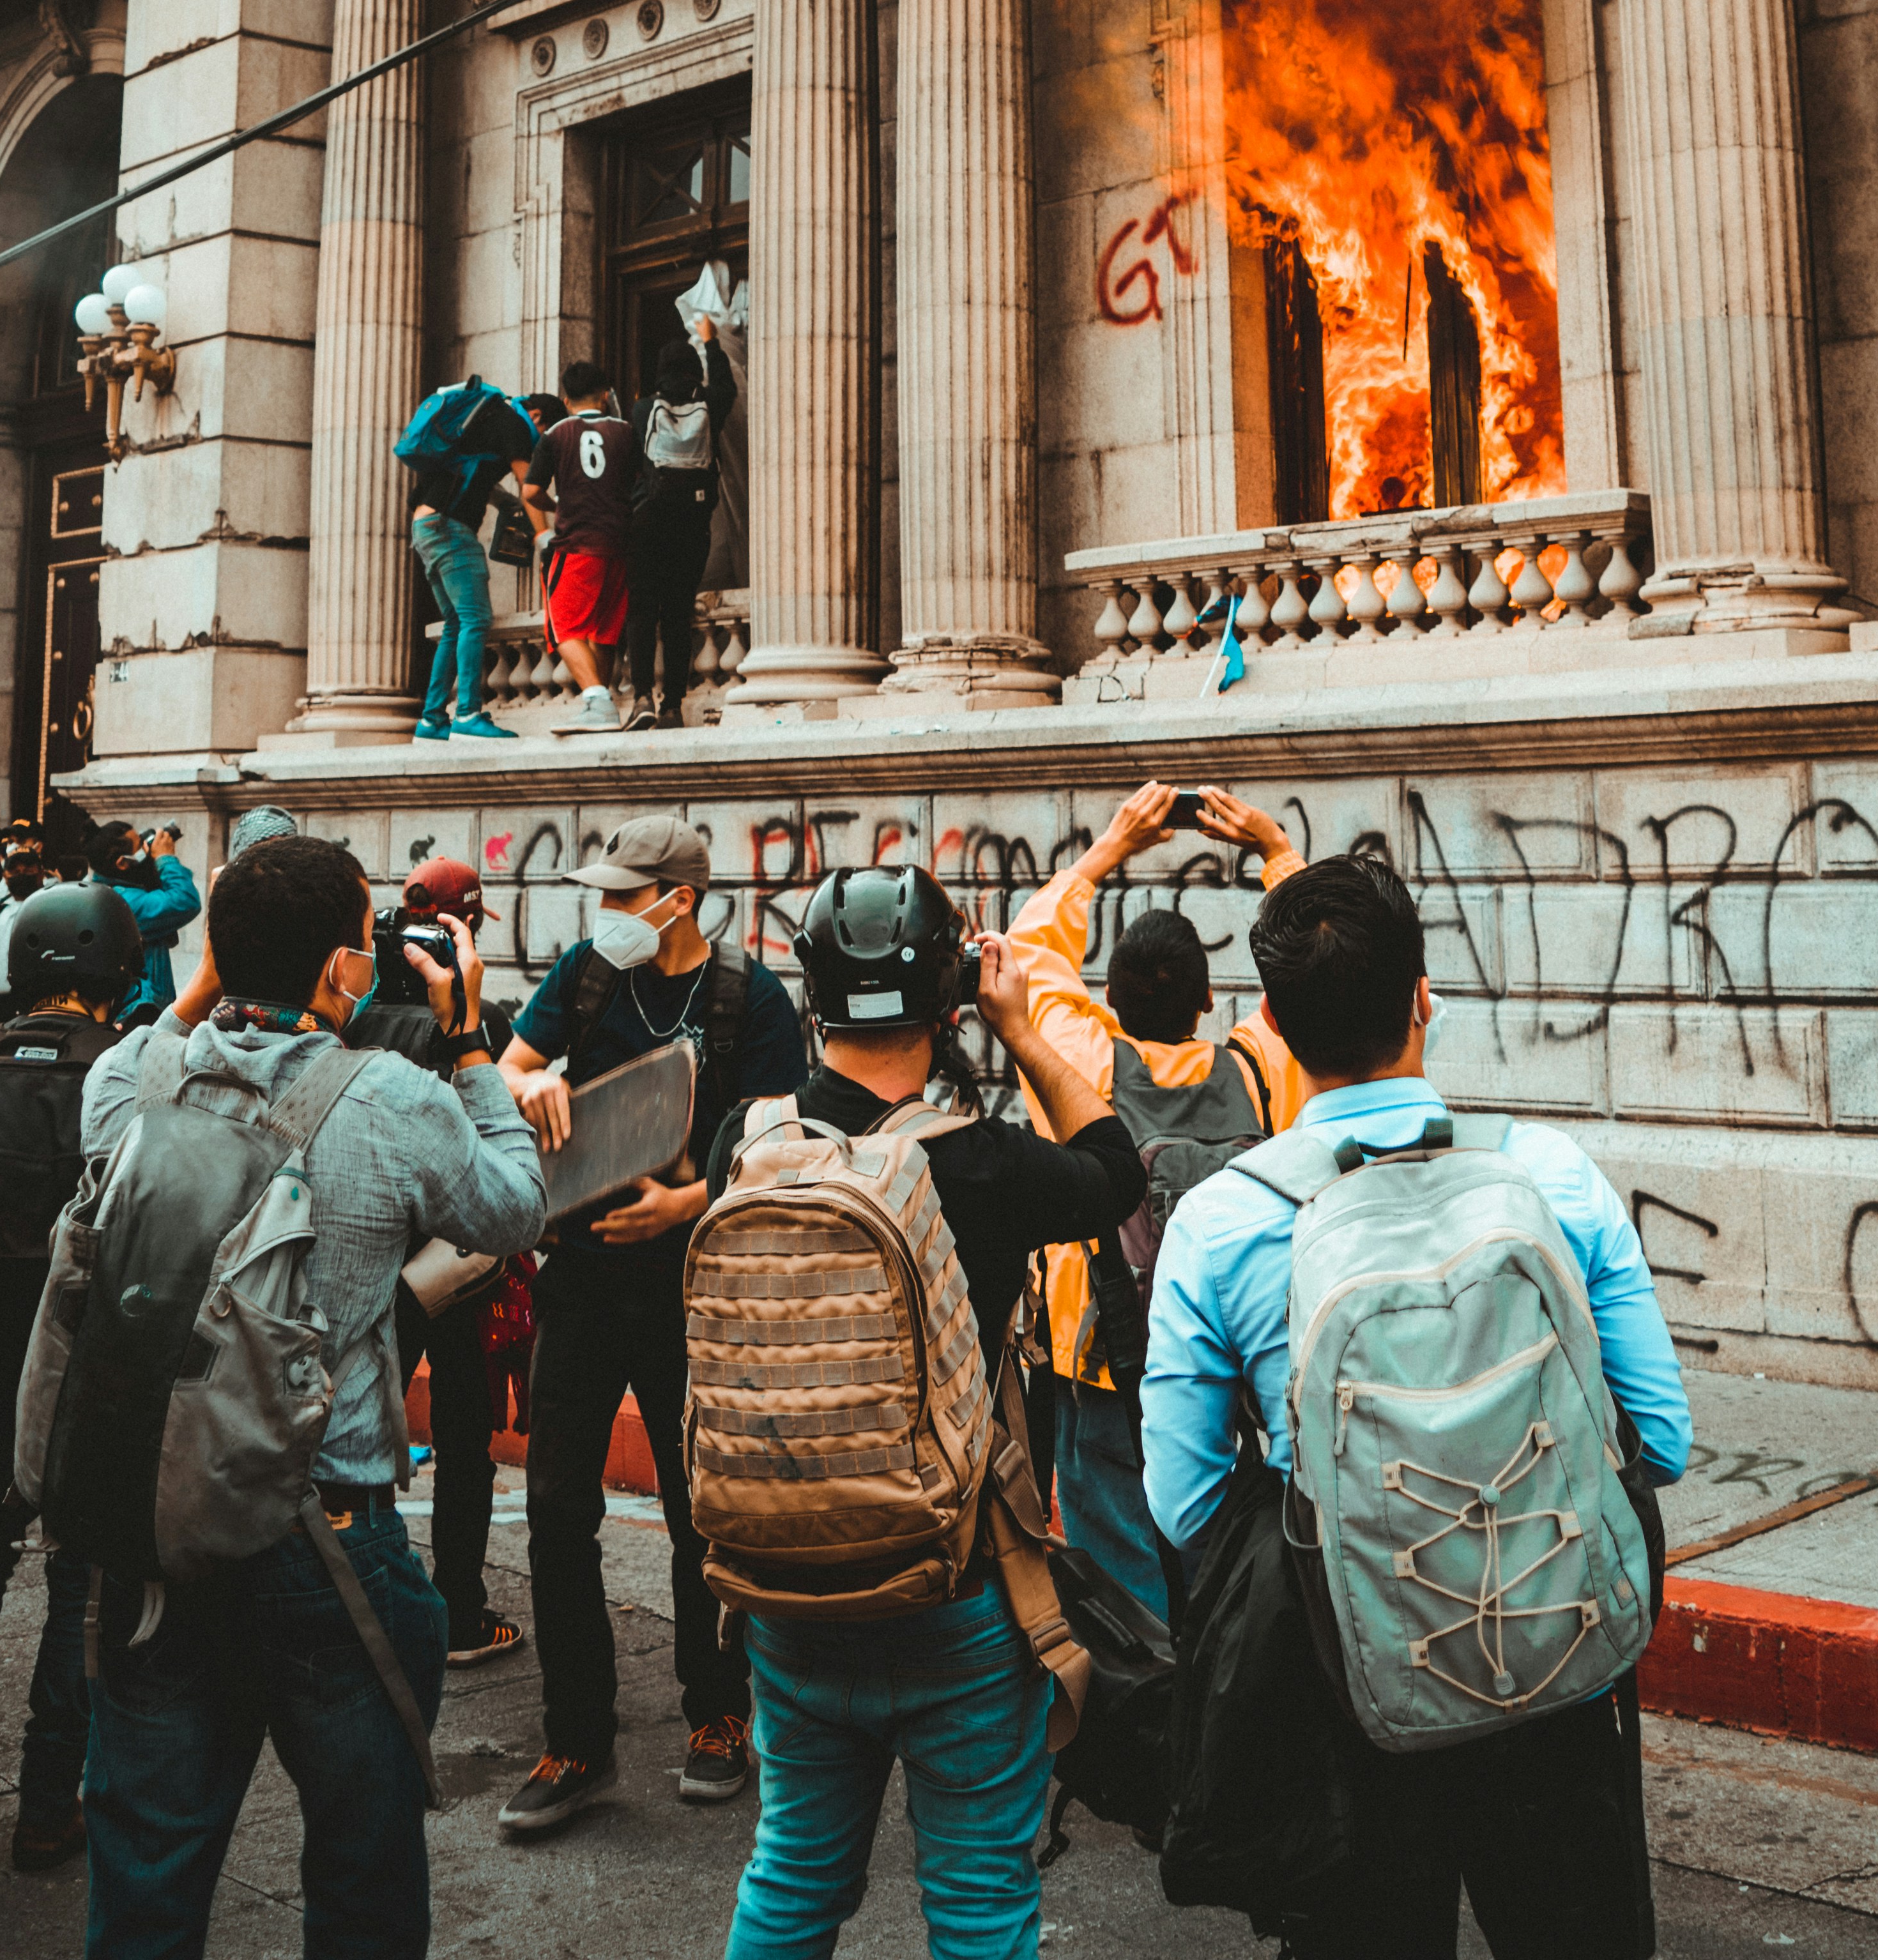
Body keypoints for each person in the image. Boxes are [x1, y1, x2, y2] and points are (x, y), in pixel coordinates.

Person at [1141, 850, 1691, 1960]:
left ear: (1273, 1026)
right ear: (1423, 996)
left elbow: (1183, 1500)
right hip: (1552, 1650)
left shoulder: (1219, 1220)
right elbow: (1663, 1436)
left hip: (1345, 1682)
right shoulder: (1551, 1174)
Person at [77, 832, 546, 1960]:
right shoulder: (393, 1096)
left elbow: (161, 1046)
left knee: (145, 1876)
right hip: (327, 1539)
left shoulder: (128, 1079)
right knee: (361, 1869)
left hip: (158, 1527)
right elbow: (515, 1208)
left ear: (216, 948)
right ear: (347, 967)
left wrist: (206, 978)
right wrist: (469, 1040)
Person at [706, 865, 1147, 1960]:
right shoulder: (982, 1163)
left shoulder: (744, 1143)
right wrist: (1019, 1023)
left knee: (792, 1873)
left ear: (813, 996)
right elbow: (1116, 1167)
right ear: (948, 997)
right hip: (958, 1585)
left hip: (785, 1583)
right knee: (980, 1898)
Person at [494, 812, 806, 1834]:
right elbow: (507, 1069)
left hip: (693, 1293)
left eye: (625, 896)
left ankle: (717, 1716)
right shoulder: (588, 974)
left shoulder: (749, 999)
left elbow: (780, 1149)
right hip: (579, 1285)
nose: (608, 912)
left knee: (697, 1514)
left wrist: (682, 1205)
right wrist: (533, 1082)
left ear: (678, 900)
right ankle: (575, 1739)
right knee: (554, 1514)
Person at [1004, 776, 1309, 1611]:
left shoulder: (1082, 1067)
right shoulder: (1258, 1066)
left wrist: (1109, 849)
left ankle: (1144, 1687)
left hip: (1105, 1357)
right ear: (1208, 1001)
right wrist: (1275, 851)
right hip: (1224, 1352)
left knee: (1117, 1582)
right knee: (1218, 1544)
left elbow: (1029, 955)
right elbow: (1315, 975)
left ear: (1107, 1000)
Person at [0, 878, 138, 1872]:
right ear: (119, 970)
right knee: (79, 1576)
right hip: (83, 1370)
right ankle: (49, 1807)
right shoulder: (124, 1078)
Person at [344, 856, 528, 1667]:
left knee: (363, 1427)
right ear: (471, 923)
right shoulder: (482, 1022)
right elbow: (502, 1145)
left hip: (377, 1255)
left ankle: (367, 1598)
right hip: (457, 1260)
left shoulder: (355, 1017)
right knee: (463, 1440)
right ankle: (459, 1611)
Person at [407, 383, 535, 745]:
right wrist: (545, 528)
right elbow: (530, 486)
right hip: (449, 528)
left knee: (455, 624)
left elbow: (472, 474)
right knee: (475, 620)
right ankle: (467, 714)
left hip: (425, 525)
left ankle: (432, 719)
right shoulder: (515, 424)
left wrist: (504, 502)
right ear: (537, 417)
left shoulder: (481, 422)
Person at [622, 321, 733, 731]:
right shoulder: (711, 404)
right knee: (676, 614)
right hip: (693, 523)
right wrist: (711, 342)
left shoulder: (642, 410)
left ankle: (641, 698)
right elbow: (726, 387)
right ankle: (672, 705)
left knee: (641, 611)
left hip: (648, 521)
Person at [522, 360, 639, 734]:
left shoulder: (557, 434)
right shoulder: (626, 432)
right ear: (605, 396)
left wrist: (558, 506)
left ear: (566, 400)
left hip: (576, 543)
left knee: (564, 626)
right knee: (604, 630)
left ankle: (597, 701)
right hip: (618, 544)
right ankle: (599, 705)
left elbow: (531, 492)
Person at [80, 818, 201, 1025]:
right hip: (138, 1011)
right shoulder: (125, 903)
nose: (148, 848)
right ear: (123, 863)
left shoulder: (106, 891)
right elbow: (185, 900)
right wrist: (165, 859)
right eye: (140, 846)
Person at [0, 824, 48, 1025]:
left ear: (41, 873)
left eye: (28, 869)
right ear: (5, 876)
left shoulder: (46, 909)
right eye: (15, 870)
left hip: (25, 1005)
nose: (21, 874)